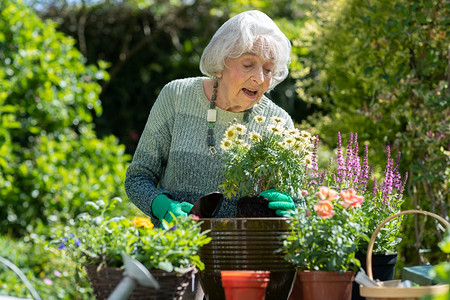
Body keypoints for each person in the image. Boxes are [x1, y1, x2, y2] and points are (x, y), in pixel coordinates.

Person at [125, 10, 296, 229]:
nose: (260, 78)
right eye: (248, 65)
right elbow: (138, 178)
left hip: (244, 254)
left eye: (268, 69)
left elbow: (296, 203)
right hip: (176, 248)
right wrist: (161, 205)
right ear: (222, 62)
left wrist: (292, 208)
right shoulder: (177, 97)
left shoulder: (278, 123)